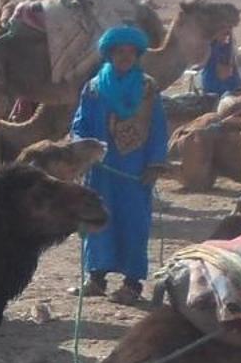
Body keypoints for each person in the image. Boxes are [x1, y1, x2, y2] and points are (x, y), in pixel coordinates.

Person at [73, 24, 170, 305]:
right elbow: (80, 123)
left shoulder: (147, 88)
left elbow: (158, 128)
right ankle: (96, 278)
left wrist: (155, 163)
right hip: (101, 170)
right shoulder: (93, 89)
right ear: (110, 54)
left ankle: (132, 284)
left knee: (133, 223)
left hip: (135, 172)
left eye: (130, 52)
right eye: (119, 52)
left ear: (137, 55)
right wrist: (81, 149)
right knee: (97, 220)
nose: (125, 57)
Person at [197, 24, 241, 98]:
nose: (226, 37)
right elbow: (201, 63)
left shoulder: (229, 47)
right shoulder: (210, 48)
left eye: (227, 33)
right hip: (214, 84)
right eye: (224, 33)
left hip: (230, 83)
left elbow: (232, 68)